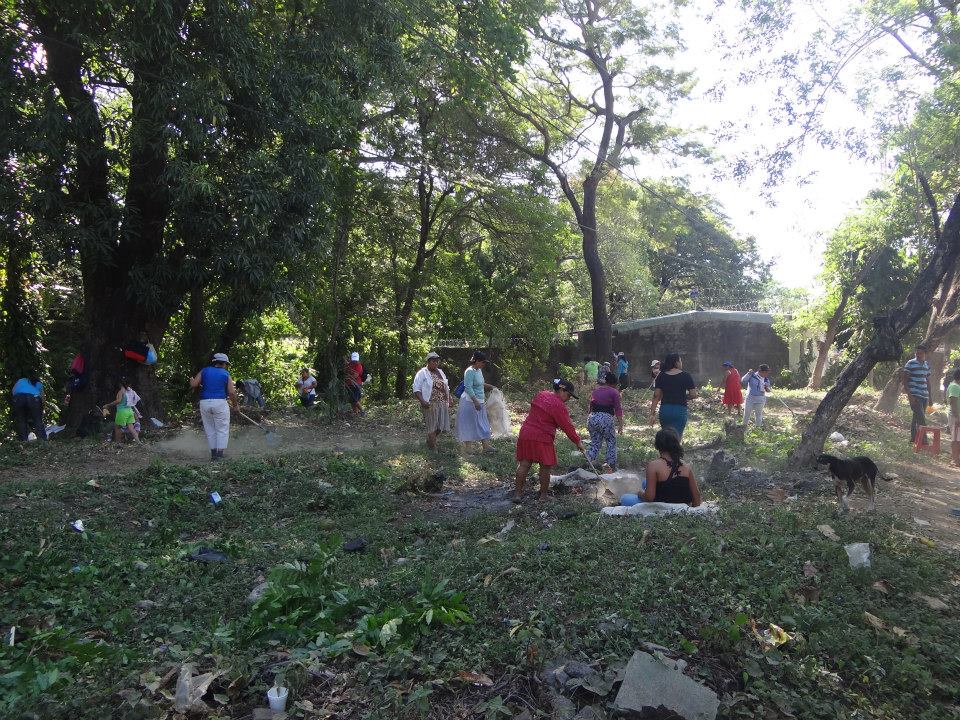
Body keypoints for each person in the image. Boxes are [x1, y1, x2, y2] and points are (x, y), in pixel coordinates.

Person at [514, 379, 586, 502]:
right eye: (568, 395)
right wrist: (578, 441)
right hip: (542, 436)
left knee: (524, 464)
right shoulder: (558, 405)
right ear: (562, 390)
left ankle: (517, 495)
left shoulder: (542, 394)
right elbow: (567, 426)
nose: (568, 399)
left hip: (526, 432)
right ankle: (543, 496)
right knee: (545, 467)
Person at [189, 352, 239, 460]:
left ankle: (213, 455)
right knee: (222, 429)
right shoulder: (226, 374)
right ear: (225, 363)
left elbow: (194, 384)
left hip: (205, 403)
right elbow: (231, 392)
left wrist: (191, 380)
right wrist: (235, 405)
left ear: (214, 362)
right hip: (220, 403)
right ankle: (219, 455)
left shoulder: (204, 371)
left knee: (210, 429)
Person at [643, 428, 702, 506]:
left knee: (627, 498)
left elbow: (649, 498)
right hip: (684, 509)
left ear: (657, 446)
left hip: (662, 509)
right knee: (645, 483)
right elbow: (697, 498)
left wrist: (639, 493)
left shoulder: (653, 465)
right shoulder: (686, 466)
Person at [650, 352, 697, 439]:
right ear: (676, 362)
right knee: (676, 438)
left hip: (665, 410)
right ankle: (675, 452)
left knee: (667, 437)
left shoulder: (661, 376)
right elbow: (693, 395)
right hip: (680, 410)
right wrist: (683, 396)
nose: (681, 363)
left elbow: (656, 396)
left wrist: (652, 414)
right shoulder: (686, 375)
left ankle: (666, 452)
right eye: (680, 361)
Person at [412, 351, 451, 451]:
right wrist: (422, 401)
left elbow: (446, 386)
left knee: (440, 426)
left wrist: (449, 398)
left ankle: (430, 440)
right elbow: (416, 389)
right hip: (429, 403)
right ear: (428, 362)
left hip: (442, 402)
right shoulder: (422, 373)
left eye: (437, 361)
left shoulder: (440, 372)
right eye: (433, 361)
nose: (435, 363)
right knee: (432, 426)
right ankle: (434, 448)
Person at [457, 351, 495, 453]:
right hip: (470, 402)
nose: (483, 364)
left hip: (480, 401)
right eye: (482, 362)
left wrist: (491, 387)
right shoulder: (469, 371)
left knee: (483, 423)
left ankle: (486, 446)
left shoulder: (478, 370)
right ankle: (468, 448)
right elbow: (468, 387)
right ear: (477, 361)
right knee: (468, 423)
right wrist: (475, 402)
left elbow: (480, 383)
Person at [587, 371, 623, 472]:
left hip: (592, 417)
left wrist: (590, 418)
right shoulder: (614, 392)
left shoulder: (596, 390)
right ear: (615, 383)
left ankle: (588, 462)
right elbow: (618, 409)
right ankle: (610, 465)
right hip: (605, 419)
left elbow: (590, 406)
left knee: (595, 442)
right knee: (611, 442)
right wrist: (621, 424)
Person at [902, 344, 931, 444]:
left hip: (924, 395)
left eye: (920, 353)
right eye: (917, 353)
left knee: (916, 416)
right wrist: (910, 396)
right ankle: (924, 440)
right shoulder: (910, 363)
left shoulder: (926, 364)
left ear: (925, 354)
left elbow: (927, 381)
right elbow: (905, 381)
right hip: (915, 394)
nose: (918, 354)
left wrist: (930, 397)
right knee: (921, 417)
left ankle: (913, 438)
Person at [102, 377, 141, 443]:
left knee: (118, 428)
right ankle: (138, 442)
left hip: (122, 412)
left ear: (120, 384)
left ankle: (118, 443)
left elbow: (118, 401)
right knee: (131, 428)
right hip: (130, 411)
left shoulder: (121, 391)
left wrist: (108, 405)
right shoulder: (130, 391)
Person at [11, 374, 46, 441]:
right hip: (34, 398)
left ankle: (24, 440)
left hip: (19, 398)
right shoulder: (38, 383)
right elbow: (42, 398)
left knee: (21, 420)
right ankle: (42, 439)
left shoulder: (20, 380)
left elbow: (13, 391)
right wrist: (42, 408)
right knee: (37, 419)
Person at [345, 351, 365, 416]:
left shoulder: (359, 366)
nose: (354, 361)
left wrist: (347, 376)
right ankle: (356, 413)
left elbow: (355, 375)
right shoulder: (349, 364)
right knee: (351, 400)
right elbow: (346, 368)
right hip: (349, 384)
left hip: (356, 384)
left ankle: (362, 411)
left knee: (354, 399)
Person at [948, 368, 960, 466]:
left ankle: (956, 458)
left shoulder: (956, 386)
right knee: (956, 439)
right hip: (956, 416)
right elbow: (953, 402)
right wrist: (957, 417)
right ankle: (954, 459)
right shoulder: (955, 386)